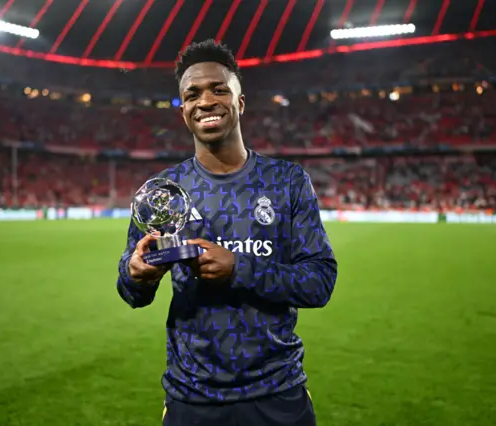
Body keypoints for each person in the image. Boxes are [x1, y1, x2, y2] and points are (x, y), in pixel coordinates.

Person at [116, 39, 338, 426]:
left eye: (219, 89)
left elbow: (319, 282)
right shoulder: (163, 192)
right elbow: (132, 290)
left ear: (240, 102)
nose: (205, 101)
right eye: (192, 94)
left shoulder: (287, 182)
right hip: (192, 398)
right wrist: (136, 274)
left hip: (277, 393)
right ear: (183, 110)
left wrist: (238, 268)